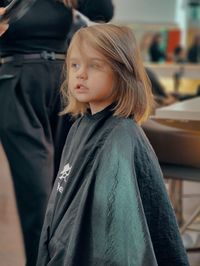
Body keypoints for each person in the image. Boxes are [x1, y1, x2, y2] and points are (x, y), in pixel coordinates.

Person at [37, 24, 189, 266]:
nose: (80, 74)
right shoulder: (80, 126)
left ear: (121, 73)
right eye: (75, 65)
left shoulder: (121, 138)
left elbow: (118, 236)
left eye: (94, 65)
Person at [0, 1, 114, 265]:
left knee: (69, 183)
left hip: (65, 85)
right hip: (18, 84)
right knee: (36, 190)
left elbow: (104, 12)